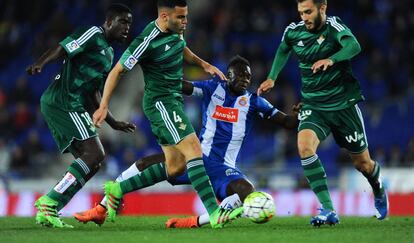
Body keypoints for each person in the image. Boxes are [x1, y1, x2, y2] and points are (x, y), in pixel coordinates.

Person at [75, 55, 300, 228]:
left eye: (248, 76)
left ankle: (195, 221)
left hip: (224, 169)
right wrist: (159, 75)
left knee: (246, 190)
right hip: (196, 159)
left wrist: (302, 113)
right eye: (239, 74)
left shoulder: (254, 102)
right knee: (144, 164)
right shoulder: (213, 89)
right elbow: (184, 86)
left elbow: (288, 122)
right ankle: (103, 207)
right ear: (228, 75)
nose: (244, 79)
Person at [92, 0, 242, 229]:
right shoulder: (147, 40)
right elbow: (117, 71)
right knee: (193, 148)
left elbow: (181, 47)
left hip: (173, 101)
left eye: (186, 17)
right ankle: (214, 213)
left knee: (175, 167)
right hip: (161, 103)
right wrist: (103, 106)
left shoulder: (176, 31)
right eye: (181, 17)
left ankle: (117, 190)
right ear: (164, 16)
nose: (185, 22)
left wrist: (204, 64)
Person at [257, 0, 388, 226]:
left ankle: (377, 186)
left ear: (322, 9)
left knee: (363, 164)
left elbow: (354, 46)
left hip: (343, 105)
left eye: (308, 12)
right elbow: (284, 47)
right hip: (313, 104)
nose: (304, 17)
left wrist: (332, 58)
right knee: (305, 147)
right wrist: (272, 77)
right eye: (301, 13)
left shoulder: (335, 27)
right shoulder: (294, 31)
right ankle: (328, 209)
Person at [26, 3, 136, 228]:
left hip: (73, 103)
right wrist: (40, 63)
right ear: (108, 22)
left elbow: (94, 90)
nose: (127, 27)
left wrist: (112, 122)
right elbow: (63, 47)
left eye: (130, 23)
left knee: (94, 160)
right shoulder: (93, 34)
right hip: (63, 101)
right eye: (122, 21)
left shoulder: (109, 53)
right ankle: (50, 203)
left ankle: (49, 208)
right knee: (94, 153)